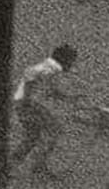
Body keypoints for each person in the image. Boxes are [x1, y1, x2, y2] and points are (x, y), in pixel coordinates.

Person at [10, 44, 79, 178]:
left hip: (24, 103)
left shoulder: (46, 67)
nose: (71, 65)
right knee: (54, 130)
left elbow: (49, 89)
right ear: (64, 59)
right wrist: (28, 100)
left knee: (33, 136)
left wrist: (69, 97)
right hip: (30, 105)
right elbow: (33, 83)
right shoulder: (51, 69)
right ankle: (38, 167)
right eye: (71, 61)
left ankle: (11, 165)